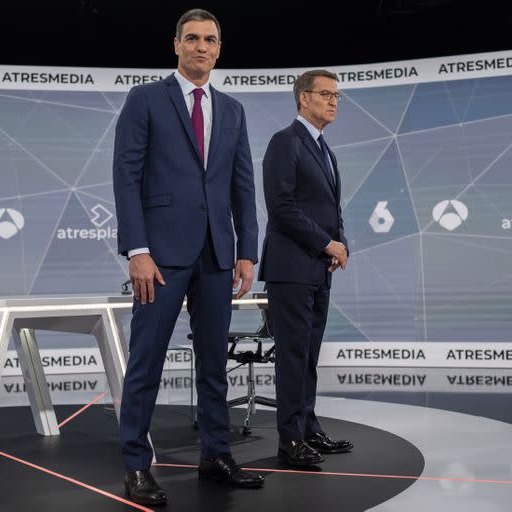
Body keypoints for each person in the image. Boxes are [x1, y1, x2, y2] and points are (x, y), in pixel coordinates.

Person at [113, 7, 264, 506]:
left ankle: (216, 454)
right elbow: (126, 175)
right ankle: (136, 465)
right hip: (160, 256)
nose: (202, 46)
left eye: (211, 40)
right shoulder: (145, 100)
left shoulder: (234, 110)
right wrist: (137, 250)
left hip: (218, 254)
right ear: (175, 44)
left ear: (219, 49)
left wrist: (247, 252)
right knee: (146, 361)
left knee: (213, 364)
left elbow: (242, 184)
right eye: (193, 38)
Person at [259, 69, 354, 467]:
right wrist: (326, 243)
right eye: (326, 94)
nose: (333, 101)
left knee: (309, 354)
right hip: (292, 268)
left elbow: (330, 209)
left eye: (337, 96)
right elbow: (281, 207)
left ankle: (309, 428)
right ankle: (290, 440)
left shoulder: (325, 150)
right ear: (303, 98)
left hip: (318, 268)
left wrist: (340, 243)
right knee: (293, 355)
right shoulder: (285, 142)